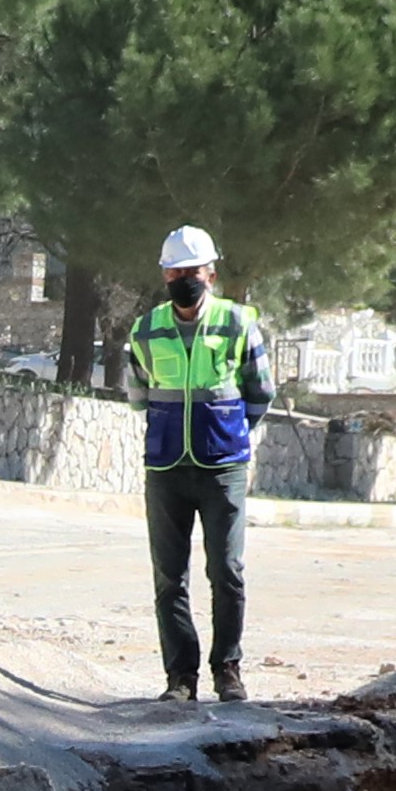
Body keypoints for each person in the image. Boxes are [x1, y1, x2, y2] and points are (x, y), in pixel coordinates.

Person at [128, 224, 270, 704]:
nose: (183, 279)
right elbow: (138, 394)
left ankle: (227, 670)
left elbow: (261, 391)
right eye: (175, 272)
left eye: (192, 271)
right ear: (165, 275)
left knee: (227, 570)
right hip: (166, 466)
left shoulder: (237, 323)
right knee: (170, 576)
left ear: (210, 274)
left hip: (222, 466)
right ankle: (180, 679)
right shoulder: (146, 329)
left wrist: (228, 430)